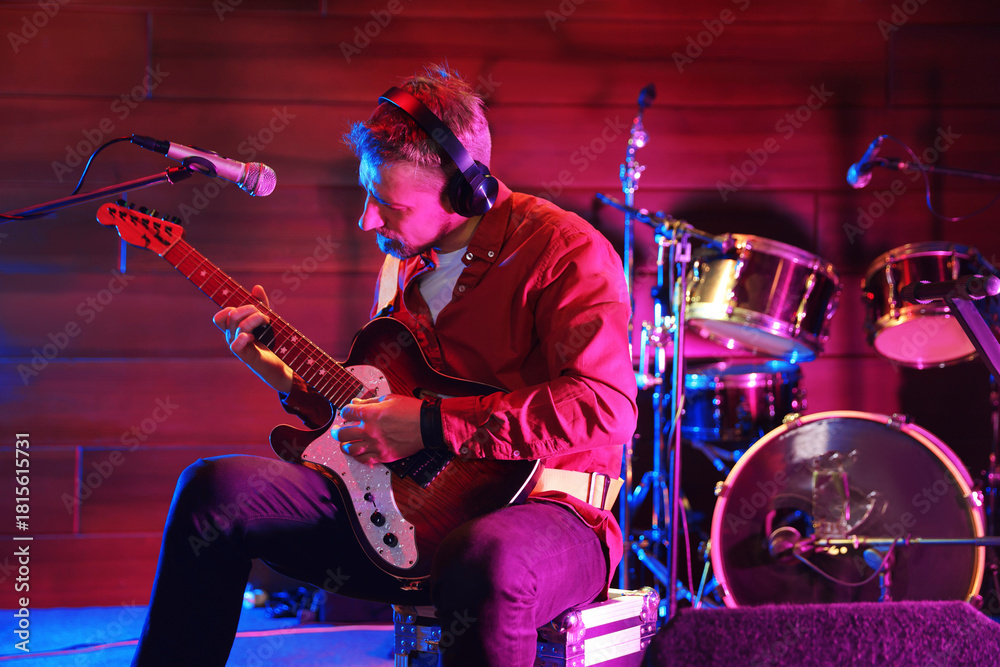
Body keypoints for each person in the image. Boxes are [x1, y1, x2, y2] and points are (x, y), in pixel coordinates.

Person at [131, 65, 637, 667]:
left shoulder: (565, 249)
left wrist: (429, 425)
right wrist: (281, 374)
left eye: (387, 204)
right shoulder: (403, 264)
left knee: (482, 557)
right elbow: (374, 409)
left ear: (463, 193)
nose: (367, 220)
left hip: (553, 518)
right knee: (214, 490)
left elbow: (605, 407)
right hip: (407, 517)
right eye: (366, 194)